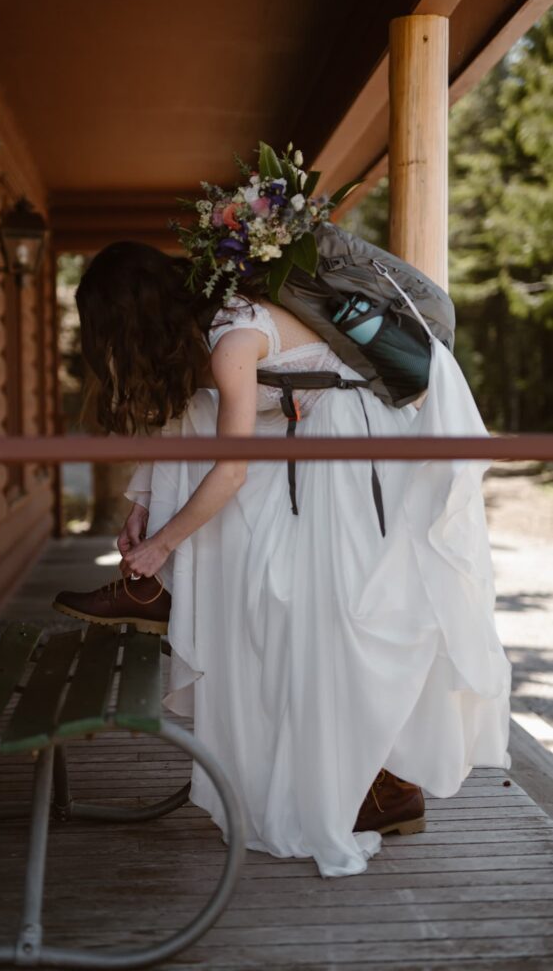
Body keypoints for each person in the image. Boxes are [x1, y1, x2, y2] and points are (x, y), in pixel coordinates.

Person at [54, 240, 511, 878]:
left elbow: (234, 469)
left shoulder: (233, 340)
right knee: (275, 612)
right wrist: (142, 504)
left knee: (328, 623)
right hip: (311, 455)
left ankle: (380, 780)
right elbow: (189, 421)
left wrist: (162, 543)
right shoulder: (212, 327)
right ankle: (371, 780)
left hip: (350, 465)